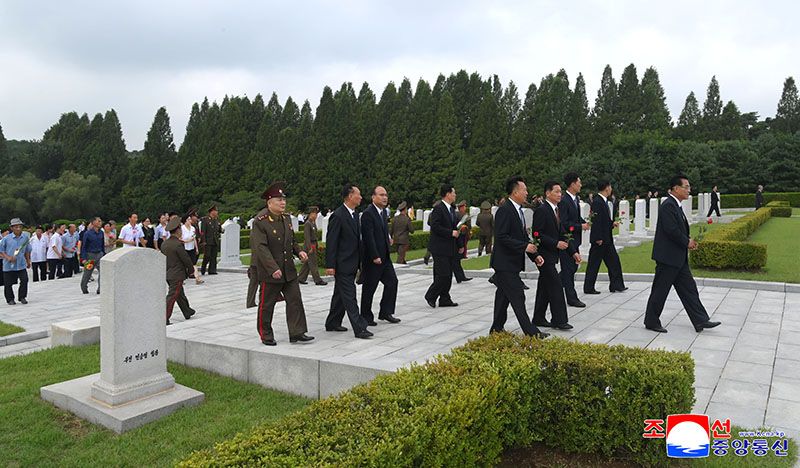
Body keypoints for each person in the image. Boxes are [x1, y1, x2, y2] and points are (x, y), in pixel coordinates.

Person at [644, 176, 722, 333]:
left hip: (678, 258)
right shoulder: (668, 206)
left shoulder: (676, 205)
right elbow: (671, 230)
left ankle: (700, 320)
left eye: (689, 187)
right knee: (660, 291)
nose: (689, 190)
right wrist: (687, 242)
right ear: (675, 188)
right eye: (686, 187)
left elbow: (677, 230)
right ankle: (651, 321)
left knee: (689, 289)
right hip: (668, 258)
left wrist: (688, 241)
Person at [251, 182, 314, 345]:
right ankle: (265, 334)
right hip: (271, 271)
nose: (283, 203)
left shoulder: (286, 219)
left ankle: (297, 332)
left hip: (288, 269)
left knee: (295, 300)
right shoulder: (260, 221)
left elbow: (290, 240)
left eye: (284, 199)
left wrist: (299, 251)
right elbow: (260, 247)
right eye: (279, 200)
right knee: (267, 304)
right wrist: (273, 268)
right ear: (269, 202)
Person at [489, 176, 549, 339]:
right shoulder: (504, 210)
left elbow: (523, 238)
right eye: (524, 190)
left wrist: (534, 255)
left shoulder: (518, 211)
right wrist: (524, 247)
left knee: (502, 297)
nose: (527, 192)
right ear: (515, 192)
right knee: (518, 295)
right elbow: (501, 237)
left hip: (511, 263)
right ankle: (531, 332)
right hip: (504, 263)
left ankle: (496, 329)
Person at [324, 184, 373, 339]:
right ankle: (360, 328)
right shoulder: (338, 216)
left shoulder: (353, 214)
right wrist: (330, 265)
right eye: (358, 194)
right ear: (350, 196)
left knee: (340, 295)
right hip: (342, 264)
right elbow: (332, 242)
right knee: (350, 296)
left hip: (352, 262)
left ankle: (332, 322)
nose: (361, 197)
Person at [532, 181, 579, 330]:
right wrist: (555, 244)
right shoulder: (542, 210)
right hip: (544, 257)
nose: (560, 194)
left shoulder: (556, 210)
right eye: (557, 192)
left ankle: (538, 317)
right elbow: (537, 234)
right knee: (556, 286)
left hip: (552, 255)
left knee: (545, 287)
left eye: (561, 192)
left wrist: (573, 252)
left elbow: (563, 233)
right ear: (548, 193)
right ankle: (559, 320)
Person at [360, 186, 401, 325]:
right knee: (369, 288)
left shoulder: (383, 213)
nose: (385, 197)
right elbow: (368, 237)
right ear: (373, 197)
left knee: (392, 282)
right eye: (381, 195)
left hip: (385, 257)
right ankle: (365, 316)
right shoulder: (368, 214)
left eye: (386, 195)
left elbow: (382, 231)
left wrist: (388, 238)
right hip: (373, 259)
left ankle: (386, 312)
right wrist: (374, 256)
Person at [584, 180, 627, 294]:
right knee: (594, 264)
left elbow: (604, 220)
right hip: (600, 239)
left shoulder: (604, 201)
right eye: (610, 187)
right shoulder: (598, 201)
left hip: (607, 238)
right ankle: (588, 287)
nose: (611, 189)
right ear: (607, 188)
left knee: (614, 262)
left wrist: (611, 223)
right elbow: (596, 221)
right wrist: (598, 238)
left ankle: (616, 285)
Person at [424, 184, 460, 309]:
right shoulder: (439, 209)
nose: (455, 195)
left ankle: (445, 298)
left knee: (448, 274)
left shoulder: (451, 209)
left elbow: (454, 226)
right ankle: (430, 295)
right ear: (448, 194)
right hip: (439, 247)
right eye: (454, 193)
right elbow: (435, 226)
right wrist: (450, 233)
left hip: (449, 246)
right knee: (443, 274)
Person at [558, 172, 589, 308]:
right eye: (579, 182)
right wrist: (579, 226)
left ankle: (552, 284)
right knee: (568, 269)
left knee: (571, 268)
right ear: (572, 184)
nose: (580, 185)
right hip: (566, 240)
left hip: (575, 240)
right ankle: (572, 298)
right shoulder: (564, 201)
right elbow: (564, 224)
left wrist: (585, 223)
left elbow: (575, 218)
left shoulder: (575, 199)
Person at [161, 215, 197, 325]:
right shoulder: (177, 244)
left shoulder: (165, 243)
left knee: (179, 294)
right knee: (172, 296)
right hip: (177, 274)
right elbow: (185, 259)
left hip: (168, 273)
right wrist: (191, 270)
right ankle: (164, 317)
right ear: (177, 230)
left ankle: (187, 311)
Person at [1, 219, 32, 305]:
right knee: (8, 283)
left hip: (21, 264)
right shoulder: (6, 239)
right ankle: (10, 299)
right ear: (11, 228)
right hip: (9, 265)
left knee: (24, 279)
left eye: (20, 226)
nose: (18, 228)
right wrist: (8, 257)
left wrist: (28, 261)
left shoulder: (25, 238)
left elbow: (27, 250)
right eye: (16, 227)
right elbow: (1, 251)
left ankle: (22, 297)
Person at [297, 206, 327, 285]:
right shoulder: (308, 223)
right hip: (310, 245)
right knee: (313, 263)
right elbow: (307, 236)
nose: (316, 216)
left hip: (313, 244)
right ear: (311, 214)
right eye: (315, 214)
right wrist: (309, 247)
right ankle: (318, 280)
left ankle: (300, 278)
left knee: (307, 263)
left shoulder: (313, 223)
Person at [80, 217, 104, 295]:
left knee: (103, 271)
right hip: (90, 255)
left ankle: (100, 289)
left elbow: (102, 244)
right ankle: (84, 287)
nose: (100, 222)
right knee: (88, 273)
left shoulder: (101, 233)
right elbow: (83, 246)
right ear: (93, 222)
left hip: (99, 254)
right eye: (98, 221)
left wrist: (103, 254)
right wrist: (83, 258)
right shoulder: (88, 233)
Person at [180, 210, 204, 284]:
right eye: (189, 219)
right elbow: (180, 239)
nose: (190, 220)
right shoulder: (182, 228)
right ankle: (181, 279)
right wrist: (187, 241)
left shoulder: (193, 228)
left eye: (190, 219)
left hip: (192, 248)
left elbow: (194, 239)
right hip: (184, 248)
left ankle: (197, 278)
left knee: (194, 263)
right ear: (185, 221)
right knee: (183, 264)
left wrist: (196, 248)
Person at [200, 205, 223, 275]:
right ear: (212, 211)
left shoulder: (216, 220)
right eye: (216, 211)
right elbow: (203, 232)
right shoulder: (205, 220)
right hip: (208, 241)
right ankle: (203, 268)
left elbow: (219, 230)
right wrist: (203, 241)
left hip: (215, 241)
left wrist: (221, 229)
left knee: (214, 256)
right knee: (207, 256)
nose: (217, 212)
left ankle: (212, 270)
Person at [453, 200, 473, 283]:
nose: (465, 208)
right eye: (464, 206)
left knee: (456, 260)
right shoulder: (460, 215)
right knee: (456, 260)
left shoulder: (457, 214)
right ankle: (460, 277)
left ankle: (460, 277)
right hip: (459, 237)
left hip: (459, 237)